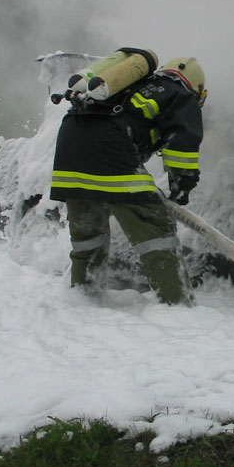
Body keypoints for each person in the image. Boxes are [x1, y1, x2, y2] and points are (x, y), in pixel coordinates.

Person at [50, 52, 207, 303]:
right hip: (110, 149)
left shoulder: (134, 86)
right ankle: (176, 304)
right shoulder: (181, 95)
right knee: (155, 228)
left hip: (69, 148)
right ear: (196, 88)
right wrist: (181, 187)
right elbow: (182, 147)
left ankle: (84, 297)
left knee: (88, 236)